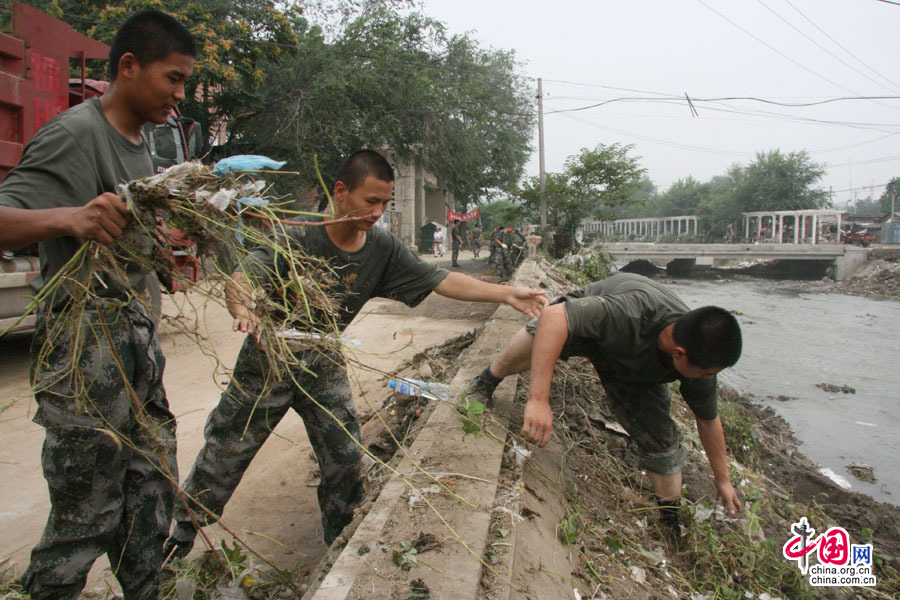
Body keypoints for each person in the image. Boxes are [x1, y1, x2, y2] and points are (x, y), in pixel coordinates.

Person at [165, 150, 548, 556]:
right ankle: (182, 536)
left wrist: (508, 293)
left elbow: (440, 280)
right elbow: (244, 277)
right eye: (371, 201)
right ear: (341, 191)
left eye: (385, 203)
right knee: (226, 452)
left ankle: (338, 542)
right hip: (270, 359)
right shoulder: (296, 236)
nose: (378, 213)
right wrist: (242, 311)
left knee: (345, 458)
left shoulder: (381, 248)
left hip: (325, 362)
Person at [0, 11, 195, 600]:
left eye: (186, 82)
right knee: (87, 509)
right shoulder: (73, 134)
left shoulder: (142, 145)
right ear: (128, 67)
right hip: (85, 348)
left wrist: (164, 255)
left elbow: (124, 238)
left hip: (134, 340)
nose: (179, 95)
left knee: (149, 490)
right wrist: (70, 217)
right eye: (173, 78)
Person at [465, 273, 743, 534]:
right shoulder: (628, 312)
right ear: (680, 355)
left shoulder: (700, 357)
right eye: (707, 373)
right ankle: (487, 381)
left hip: (633, 370)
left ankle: (670, 520)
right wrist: (538, 400)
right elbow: (553, 317)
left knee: (662, 444)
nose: (708, 379)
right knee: (536, 339)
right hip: (591, 332)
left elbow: (708, 419)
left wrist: (723, 479)